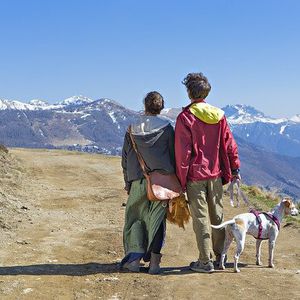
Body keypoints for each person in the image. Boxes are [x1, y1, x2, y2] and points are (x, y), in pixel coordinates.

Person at [175, 72, 240, 273]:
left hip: (195, 176)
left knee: (201, 219)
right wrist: (235, 168)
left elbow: (183, 153)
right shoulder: (219, 116)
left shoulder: (185, 117)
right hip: (216, 174)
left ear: (188, 93)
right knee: (217, 216)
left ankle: (205, 262)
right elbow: (230, 145)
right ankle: (220, 257)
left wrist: (180, 180)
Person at [121, 91, 175, 274]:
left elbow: (126, 158)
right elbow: (174, 155)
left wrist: (128, 183)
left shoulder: (132, 128)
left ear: (145, 106)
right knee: (157, 221)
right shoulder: (167, 128)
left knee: (135, 219)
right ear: (161, 107)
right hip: (162, 183)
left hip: (137, 180)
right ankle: (154, 264)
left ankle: (134, 262)